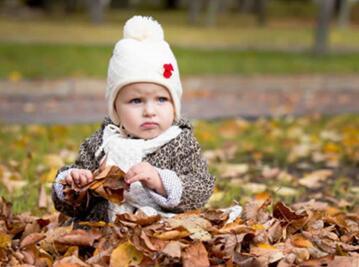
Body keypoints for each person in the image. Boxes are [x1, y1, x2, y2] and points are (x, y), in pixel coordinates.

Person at [52, 16, 214, 223]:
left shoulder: (180, 143)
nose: (149, 111)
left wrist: (160, 181)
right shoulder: (103, 142)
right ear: (116, 109)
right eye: (136, 101)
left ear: (175, 106)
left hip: (160, 232)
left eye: (162, 99)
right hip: (103, 233)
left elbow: (201, 187)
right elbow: (71, 206)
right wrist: (75, 185)